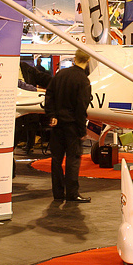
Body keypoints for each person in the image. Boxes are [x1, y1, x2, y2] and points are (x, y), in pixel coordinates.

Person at [45, 49, 92, 203]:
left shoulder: (60, 75)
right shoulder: (83, 80)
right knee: (73, 160)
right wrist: (82, 130)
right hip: (72, 126)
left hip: (57, 125)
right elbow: (81, 107)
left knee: (56, 159)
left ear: (75, 58)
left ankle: (58, 193)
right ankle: (72, 193)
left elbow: (49, 95)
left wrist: (51, 115)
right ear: (88, 60)